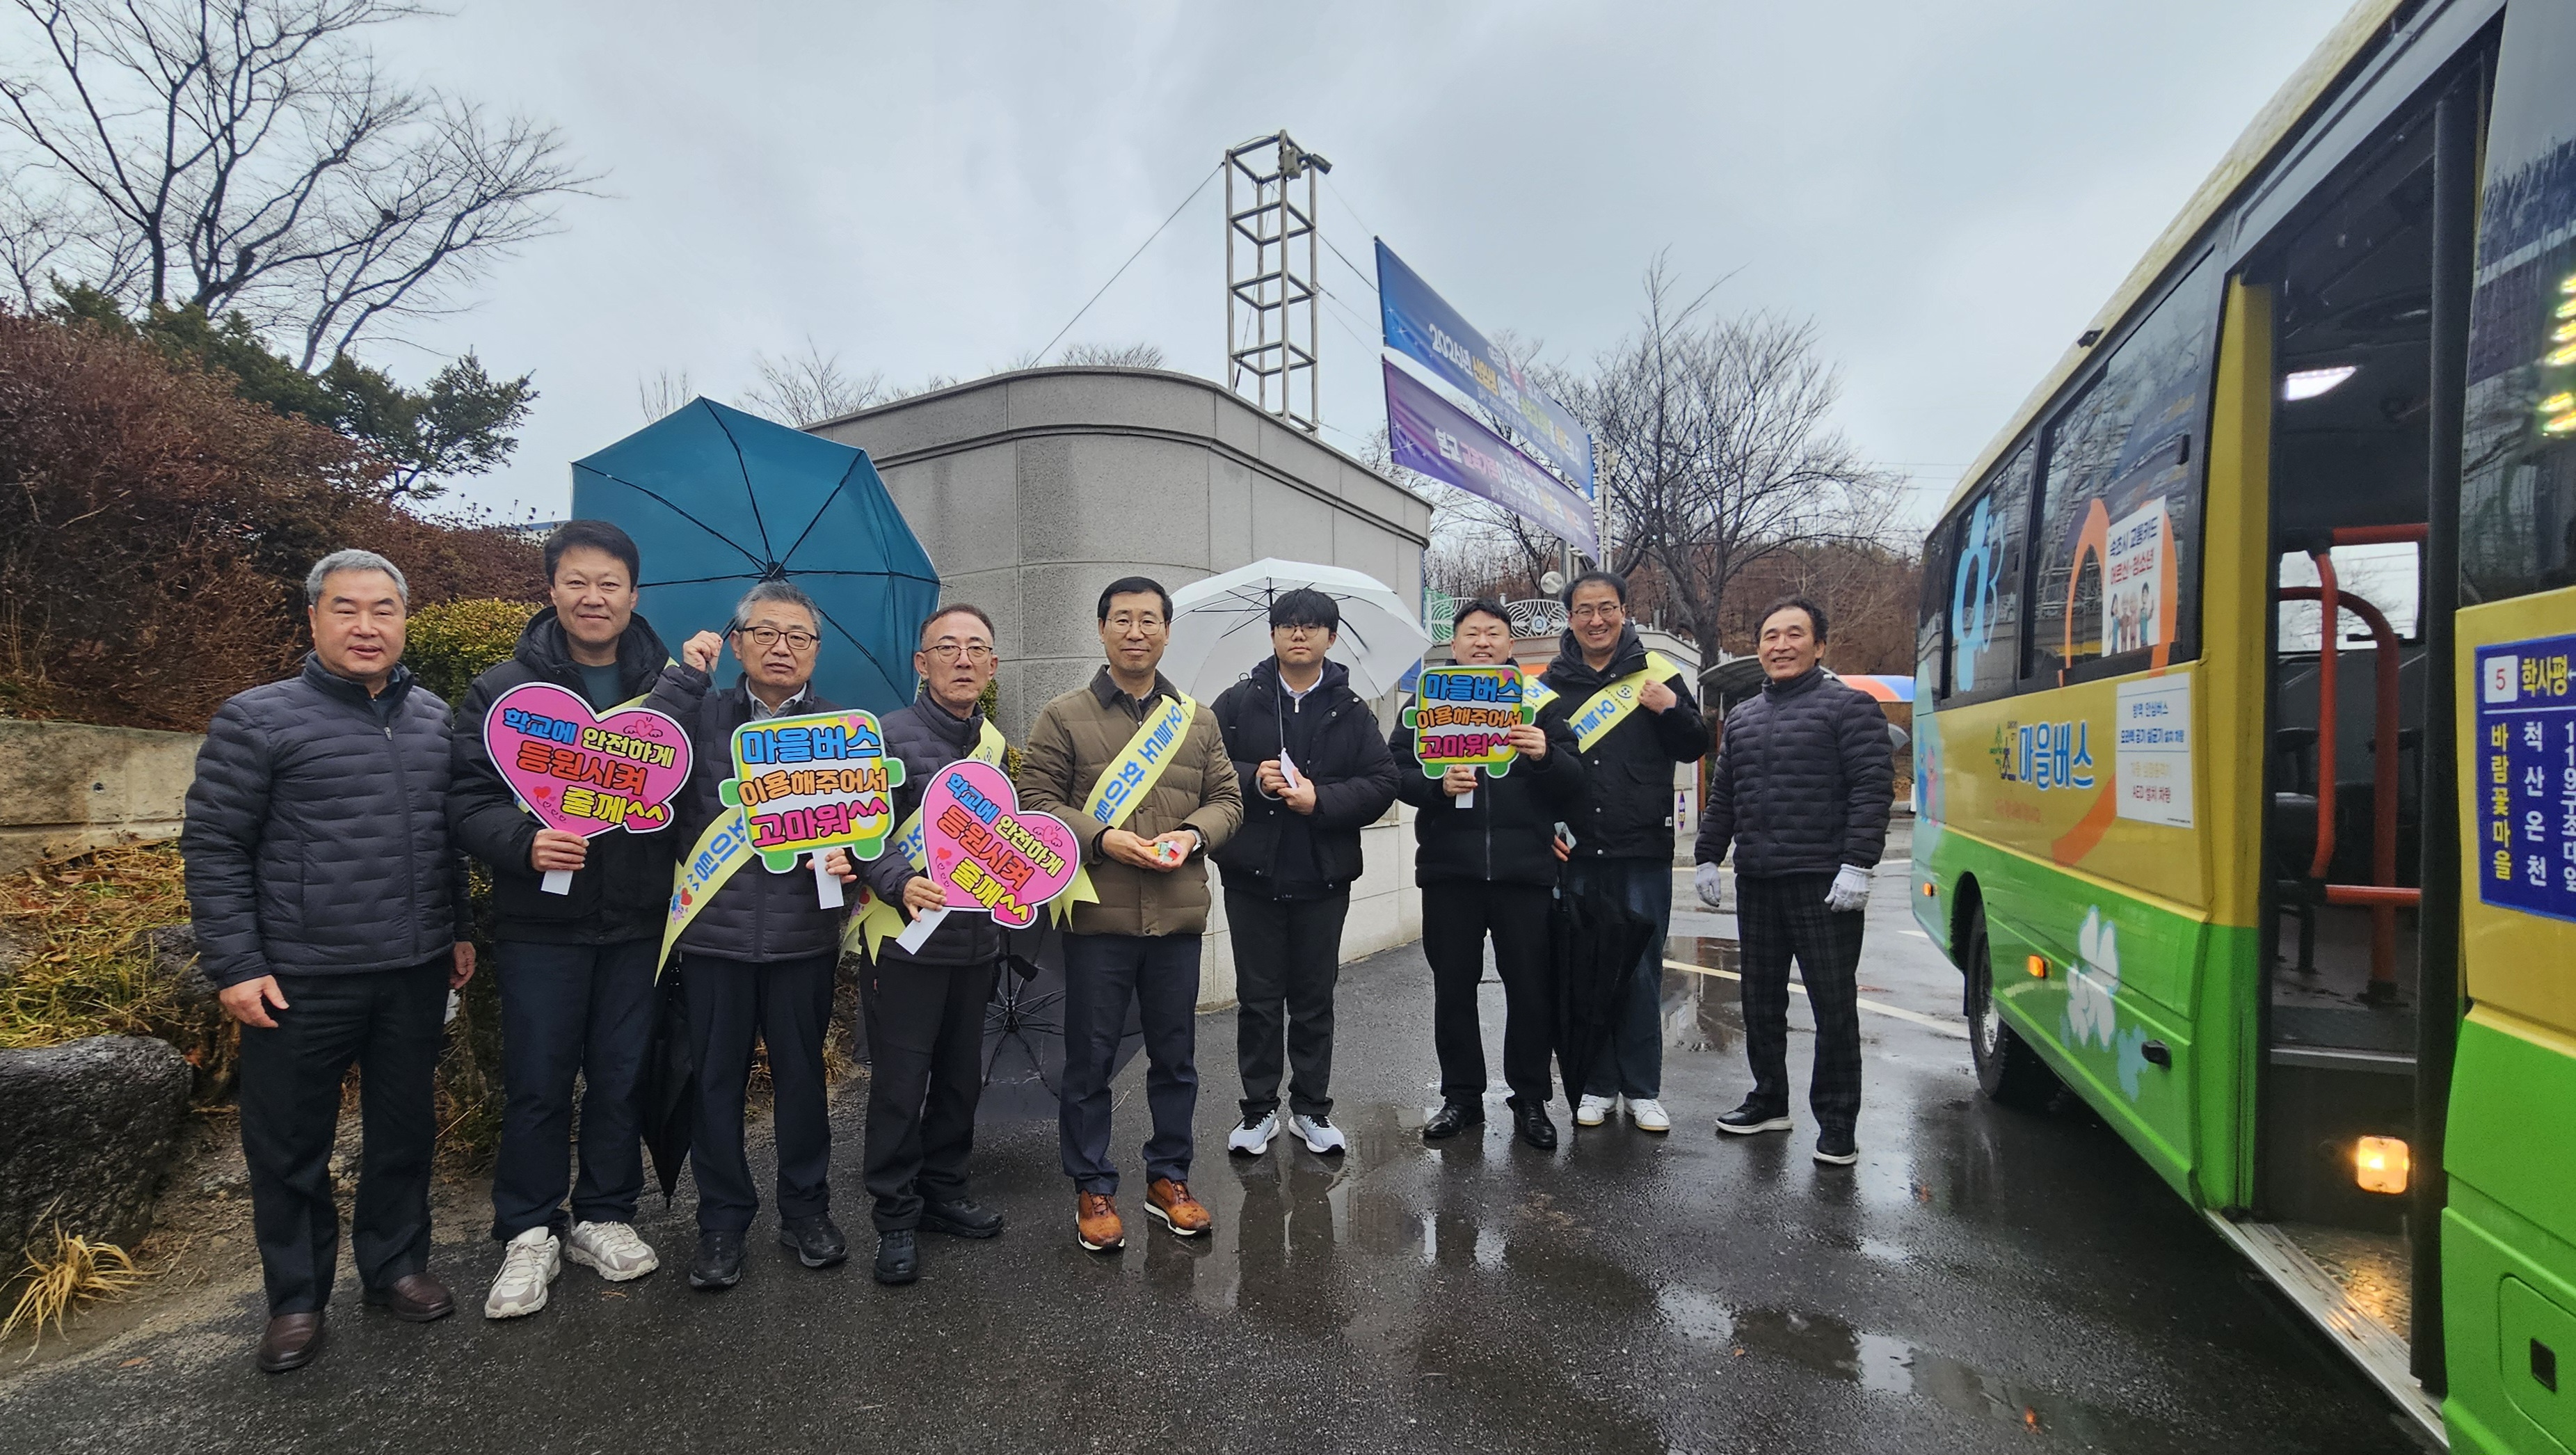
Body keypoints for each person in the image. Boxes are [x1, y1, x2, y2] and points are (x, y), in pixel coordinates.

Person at [183, 550, 475, 1373]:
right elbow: (213, 846)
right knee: (287, 1145)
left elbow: (443, 842)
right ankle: (297, 1298)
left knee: (402, 1129)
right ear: (313, 620)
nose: (366, 626)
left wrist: (457, 929)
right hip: (299, 974)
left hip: (413, 967)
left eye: (383, 609)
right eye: (346, 609)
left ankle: (396, 1267)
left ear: (404, 618)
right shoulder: (258, 719)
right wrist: (235, 965)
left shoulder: (432, 718)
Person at [449, 520, 698, 1319]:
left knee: (623, 1075)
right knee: (537, 1082)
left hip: (635, 921)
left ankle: (604, 1214)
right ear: (552, 588)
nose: (595, 598)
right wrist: (525, 843)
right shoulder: (505, 689)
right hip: (538, 927)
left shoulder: (667, 694)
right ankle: (527, 1229)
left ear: (633, 594)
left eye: (611, 585)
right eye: (578, 582)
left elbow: (691, 802)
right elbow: (466, 800)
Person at [1016, 576, 1242, 1253]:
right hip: (1097, 923)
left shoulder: (1197, 721)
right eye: (1123, 619)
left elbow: (1228, 799)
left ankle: (1168, 1178)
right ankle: (1092, 1184)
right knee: (1089, 1060)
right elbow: (1034, 798)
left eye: (1149, 619)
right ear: (1102, 628)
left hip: (1176, 919)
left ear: (1167, 632)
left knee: (1175, 1058)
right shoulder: (1063, 714)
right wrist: (1100, 838)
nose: (1136, 631)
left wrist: (1193, 835)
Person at [658, 580, 858, 1289]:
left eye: (798, 635)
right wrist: (683, 682)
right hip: (714, 938)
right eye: (765, 632)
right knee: (715, 1084)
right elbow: (638, 767)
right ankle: (721, 1222)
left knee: (805, 1081)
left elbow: (871, 830)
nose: (782, 646)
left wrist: (853, 860)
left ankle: (806, 1208)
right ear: (737, 642)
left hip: (804, 937)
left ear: (815, 650)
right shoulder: (698, 719)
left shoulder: (843, 731)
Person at [1693, 596, 1893, 1166]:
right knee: (1760, 1001)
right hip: (1757, 879)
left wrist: (1858, 864)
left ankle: (1836, 1122)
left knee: (1833, 1007)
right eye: (1770, 636)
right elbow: (1723, 795)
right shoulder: (1745, 717)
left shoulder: (1850, 708)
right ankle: (1768, 1099)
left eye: (1794, 634)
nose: (1780, 645)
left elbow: (1871, 791)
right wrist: (1708, 855)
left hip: (1824, 885)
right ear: (1758, 648)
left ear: (1819, 645)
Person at [848, 603, 1013, 1286]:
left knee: (958, 1078)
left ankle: (945, 1191)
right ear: (922, 664)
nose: (963, 659)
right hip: (902, 944)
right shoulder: (887, 738)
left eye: (977, 648)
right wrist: (899, 879)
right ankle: (894, 1214)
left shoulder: (998, 747)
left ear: (993, 666)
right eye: (948, 648)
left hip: (974, 945)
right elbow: (859, 833)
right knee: (898, 1083)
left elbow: (1009, 842)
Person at [1210, 588, 1400, 1159]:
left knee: (1314, 999)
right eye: (1288, 625)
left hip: (1323, 876)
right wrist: (1253, 777)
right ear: (1271, 635)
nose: (1299, 634)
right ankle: (1258, 1110)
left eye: (1312, 626)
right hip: (1252, 875)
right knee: (1259, 1000)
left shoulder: (1353, 708)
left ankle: (1311, 1110)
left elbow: (1383, 783)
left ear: (1330, 637)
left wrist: (1320, 799)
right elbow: (1202, 768)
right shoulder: (1239, 701)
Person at [1389, 600, 1584, 1149]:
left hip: (1525, 873)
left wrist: (1546, 753)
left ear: (1509, 645)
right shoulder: (1427, 700)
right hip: (1451, 870)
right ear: (1453, 646)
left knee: (1530, 990)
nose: (1481, 642)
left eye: (1492, 633)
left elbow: (1574, 781)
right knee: (1453, 989)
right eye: (1470, 633)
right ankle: (1461, 1097)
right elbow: (1394, 769)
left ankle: (1529, 1098)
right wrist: (1435, 786)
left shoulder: (1538, 702)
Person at [1539, 569, 1711, 1134]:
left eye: (1606, 608)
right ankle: (1595, 1083)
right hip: (1576, 851)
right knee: (1586, 970)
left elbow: (1695, 743)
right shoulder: (1547, 686)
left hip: (1641, 846)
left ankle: (1642, 1089)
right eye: (1584, 609)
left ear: (1622, 611)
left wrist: (1668, 708)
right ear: (1569, 617)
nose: (1596, 619)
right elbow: (1528, 771)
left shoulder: (1657, 673)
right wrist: (1544, 828)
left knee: (1639, 969)